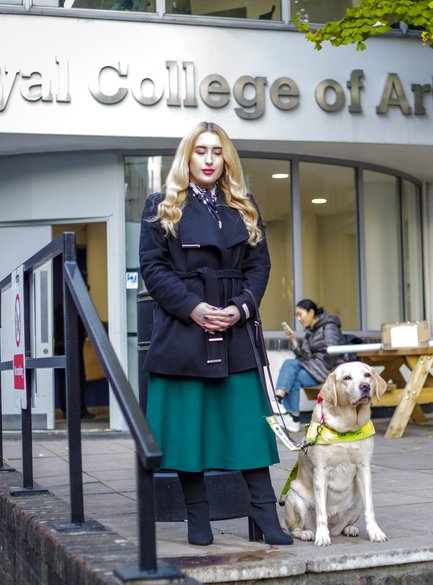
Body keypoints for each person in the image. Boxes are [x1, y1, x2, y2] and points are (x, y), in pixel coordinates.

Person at [139, 121, 292, 546]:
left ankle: (265, 513)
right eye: (200, 150)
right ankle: (197, 518)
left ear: (227, 159)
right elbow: (153, 268)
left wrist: (241, 306)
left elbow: (259, 265)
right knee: (188, 432)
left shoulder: (243, 204)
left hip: (235, 326)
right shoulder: (161, 204)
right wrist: (193, 308)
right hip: (184, 328)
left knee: (247, 427)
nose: (208, 159)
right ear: (187, 157)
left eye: (217, 151)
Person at [275, 299, 345, 432]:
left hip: (329, 370)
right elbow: (304, 357)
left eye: (300, 314)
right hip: (315, 369)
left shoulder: (329, 326)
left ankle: (278, 400)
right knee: (294, 376)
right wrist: (294, 341)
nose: (299, 318)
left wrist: (313, 362)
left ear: (311, 312)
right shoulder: (310, 332)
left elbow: (332, 352)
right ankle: (294, 419)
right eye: (297, 315)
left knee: (290, 364)